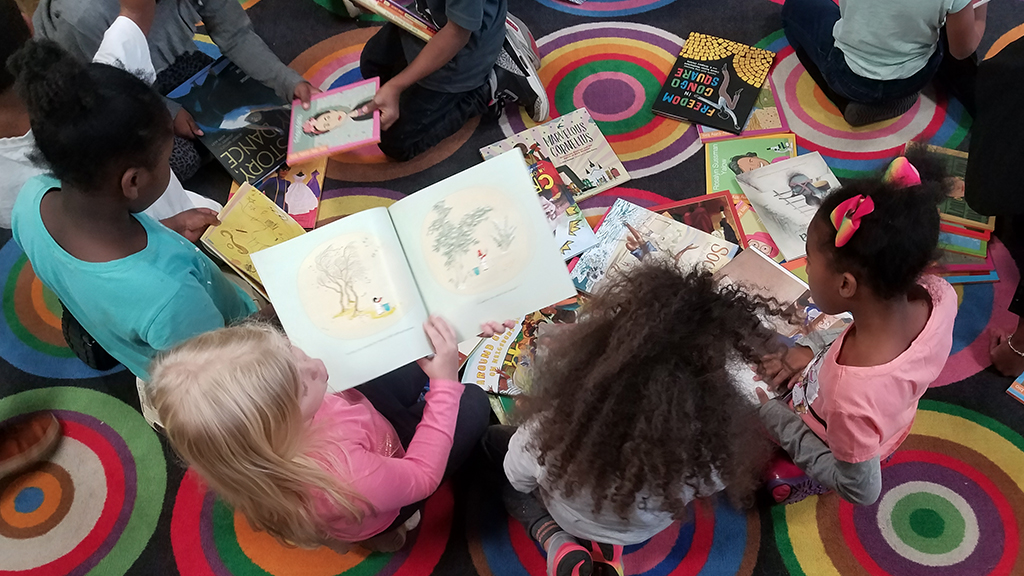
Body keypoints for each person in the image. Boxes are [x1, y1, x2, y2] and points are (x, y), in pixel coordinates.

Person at [483, 263, 776, 576]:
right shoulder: (715, 445)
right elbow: (705, 486)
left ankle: (554, 539)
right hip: (639, 531)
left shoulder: (551, 430)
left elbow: (517, 476)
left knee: (495, 449)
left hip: (569, 514)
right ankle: (609, 548)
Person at [9, 39, 259, 385]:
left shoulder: (31, 201)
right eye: (165, 159)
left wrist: (165, 229)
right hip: (220, 369)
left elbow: (102, 277)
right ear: (133, 181)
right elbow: (221, 373)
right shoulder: (172, 298)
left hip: (151, 356)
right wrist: (275, 321)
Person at [149, 317, 498, 551]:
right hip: (386, 479)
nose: (315, 365)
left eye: (290, 350)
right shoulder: (347, 477)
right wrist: (445, 386)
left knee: (407, 368)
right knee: (472, 401)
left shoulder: (256, 445)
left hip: (368, 430)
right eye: (301, 386)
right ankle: (386, 535)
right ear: (279, 425)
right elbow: (422, 476)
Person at [755, 156, 958, 505]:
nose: (806, 267)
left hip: (841, 438)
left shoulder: (850, 397)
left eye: (808, 259)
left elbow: (861, 490)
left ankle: (805, 479)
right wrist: (810, 349)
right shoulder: (938, 293)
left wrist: (777, 419)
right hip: (883, 418)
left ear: (846, 285)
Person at [33, 0, 318, 180]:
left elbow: (236, 35)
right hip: (98, 86)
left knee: (254, 99)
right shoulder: (83, 14)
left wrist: (287, 80)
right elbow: (103, 83)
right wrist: (166, 112)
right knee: (172, 161)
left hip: (168, 63)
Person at [356, 0, 548, 161]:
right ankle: (477, 14)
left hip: (463, 52)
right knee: (372, 67)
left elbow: (456, 35)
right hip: (425, 19)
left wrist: (397, 85)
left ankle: (492, 83)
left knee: (396, 143)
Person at [781, 0, 986, 126]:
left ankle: (843, 100)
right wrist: (980, 18)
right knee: (950, 24)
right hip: (914, 78)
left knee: (798, 7)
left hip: (849, 78)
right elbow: (961, 51)